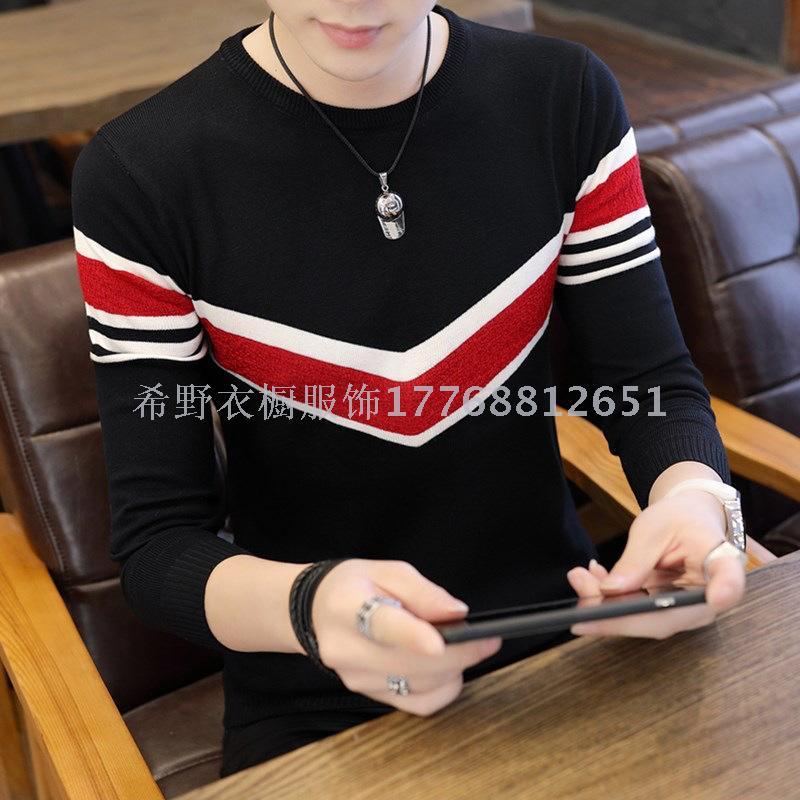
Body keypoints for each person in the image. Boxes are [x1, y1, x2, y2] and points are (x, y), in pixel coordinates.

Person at [70, 1, 748, 779]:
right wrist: (312, 608)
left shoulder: (562, 96)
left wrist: (697, 503)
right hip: (317, 690)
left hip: (574, 637)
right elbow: (158, 547)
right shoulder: (141, 171)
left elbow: (648, 384)